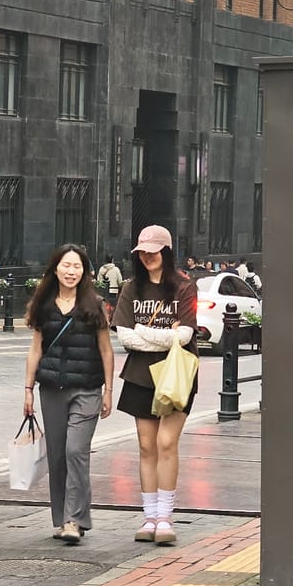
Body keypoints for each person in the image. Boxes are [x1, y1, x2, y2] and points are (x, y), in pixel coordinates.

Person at [112, 224, 198, 547]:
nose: (148, 257)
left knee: (166, 443)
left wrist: (144, 331)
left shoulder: (184, 287)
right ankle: (149, 516)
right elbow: (125, 337)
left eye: (153, 250)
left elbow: (186, 336)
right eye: (143, 252)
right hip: (140, 375)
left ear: (166, 251)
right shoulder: (132, 288)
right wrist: (164, 336)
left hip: (176, 373)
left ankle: (165, 517)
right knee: (146, 446)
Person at [24, 243, 114, 544]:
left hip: (87, 388)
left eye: (77, 266)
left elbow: (105, 349)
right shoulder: (44, 304)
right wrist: (27, 390)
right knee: (59, 456)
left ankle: (75, 519)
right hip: (51, 389)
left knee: (76, 451)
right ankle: (63, 517)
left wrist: (108, 390)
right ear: (55, 268)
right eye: (66, 265)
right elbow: (35, 348)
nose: (71, 272)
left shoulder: (94, 304)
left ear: (85, 271)